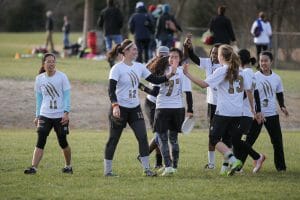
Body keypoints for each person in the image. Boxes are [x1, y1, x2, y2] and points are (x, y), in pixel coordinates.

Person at [183, 44, 261, 176]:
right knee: (227, 140)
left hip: (224, 111)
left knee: (213, 139)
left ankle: (233, 160)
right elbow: (249, 92)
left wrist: (187, 74)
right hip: (238, 113)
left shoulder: (222, 70)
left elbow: (203, 84)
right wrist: (253, 110)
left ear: (222, 56)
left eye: (218, 54)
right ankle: (225, 168)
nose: (216, 57)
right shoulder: (241, 71)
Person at [105, 39, 176, 177]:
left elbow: (154, 80)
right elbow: (111, 90)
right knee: (114, 139)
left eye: (136, 49)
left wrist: (169, 75)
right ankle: (108, 171)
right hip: (119, 108)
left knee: (143, 137)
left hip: (134, 108)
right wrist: (115, 105)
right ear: (125, 51)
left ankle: (147, 169)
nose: (136, 51)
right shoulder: (116, 68)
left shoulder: (139, 67)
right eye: (133, 49)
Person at [24, 53, 72, 175]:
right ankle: (33, 167)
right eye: (48, 62)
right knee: (40, 140)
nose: (51, 64)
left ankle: (68, 166)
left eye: (53, 61)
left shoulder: (62, 77)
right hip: (45, 114)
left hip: (60, 115)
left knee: (62, 141)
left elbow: (67, 96)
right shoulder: (39, 79)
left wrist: (66, 112)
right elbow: (39, 99)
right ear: (43, 64)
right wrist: (37, 115)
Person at [240, 51, 288, 172]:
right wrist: (256, 111)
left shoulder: (277, 78)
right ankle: (238, 166)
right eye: (261, 61)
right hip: (257, 115)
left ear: (271, 62)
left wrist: (282, 106)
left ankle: (281, 168)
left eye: (266, 60)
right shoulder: (254, 76)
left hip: (272, 115)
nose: (263, 63)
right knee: (249, 141)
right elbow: (251, 93)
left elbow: (279, 93)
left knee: (277, 141)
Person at [183, 34, 222, 170]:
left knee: (226, 135)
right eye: (213, 52)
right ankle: (211, 163)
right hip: (212, 103)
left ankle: (228, 162)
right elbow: (193, 57)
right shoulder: (208, 63)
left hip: (224, 105)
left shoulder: (225, 66)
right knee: (212, 134)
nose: (214, 55)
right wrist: (189, 46)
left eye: (217, 53)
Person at [153, 48, 193, 176]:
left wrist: (141, 87)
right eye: (170, 56)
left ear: (180, 59)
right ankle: (172, 166)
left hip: (163, 108)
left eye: (175, 56)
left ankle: (170, 167)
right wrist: (190, 109)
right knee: (173, 139)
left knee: (163, 139)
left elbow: (188, 92)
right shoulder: (180, 72)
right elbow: (188, 93)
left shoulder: (164, 70)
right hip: (177, 109)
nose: (172, 58)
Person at [232, 49, 266, 173]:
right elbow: (255, 92)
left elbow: (248, 92)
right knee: (235, 139)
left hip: (243, 112)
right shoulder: (251, 72)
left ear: (239, 59)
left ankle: (257, 157)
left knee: (234, 139)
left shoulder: (245, 72)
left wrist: (254, 110)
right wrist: (257, 111)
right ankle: (237, 167)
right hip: (244, 112)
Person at [138, 46, 170, 169]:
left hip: (164, 105)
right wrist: (141, 87)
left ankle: (153, 159)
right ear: (157, 55)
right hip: (152, 104)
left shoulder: (171, 67)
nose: (163, 57)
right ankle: (158, 162)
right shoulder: (154, 66)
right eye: (161, 55)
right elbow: (154, 92)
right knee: (159, 134)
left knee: (161, 134)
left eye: (165, 55)